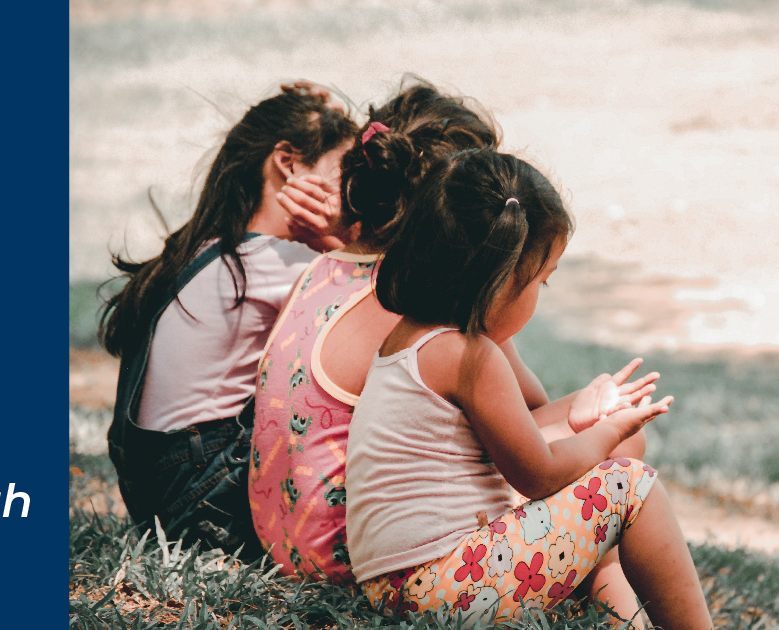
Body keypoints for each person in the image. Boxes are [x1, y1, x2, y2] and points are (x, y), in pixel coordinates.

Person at [253, 79, 653, 625]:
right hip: (358, 555)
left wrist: (586, 405)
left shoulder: (328, 269)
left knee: (604, 448)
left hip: (299, 539)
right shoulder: (429, 316)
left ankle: (618, 609)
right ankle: (621, 609)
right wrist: (602, 425)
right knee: (622, 456)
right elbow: (530, 437)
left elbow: (519, 413)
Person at [345, 148, 712, 628]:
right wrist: (607, 431)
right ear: (498, 280)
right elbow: (538, 475)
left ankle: (623, 619)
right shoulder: (470, 357)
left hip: (399, 585)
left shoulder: (412, 338)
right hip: (443, 587)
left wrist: (580, 417)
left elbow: (509, 438)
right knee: (631, 486)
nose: (541, 292)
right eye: (542, 280)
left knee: (616, 456)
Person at [250, 80, 552, 582]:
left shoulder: (320, 268)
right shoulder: (413, 303)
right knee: (608, 450)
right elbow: (533, 413)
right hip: (359, 556)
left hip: (284, 542)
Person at [99, 83, 358, 559]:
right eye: (342, 172)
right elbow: (386, 313)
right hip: (206, 506)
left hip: (161, 496)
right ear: (288, 162)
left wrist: (324, 115)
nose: (348, 193)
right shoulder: (279, 263)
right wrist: (335, 241)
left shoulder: (208, 249)